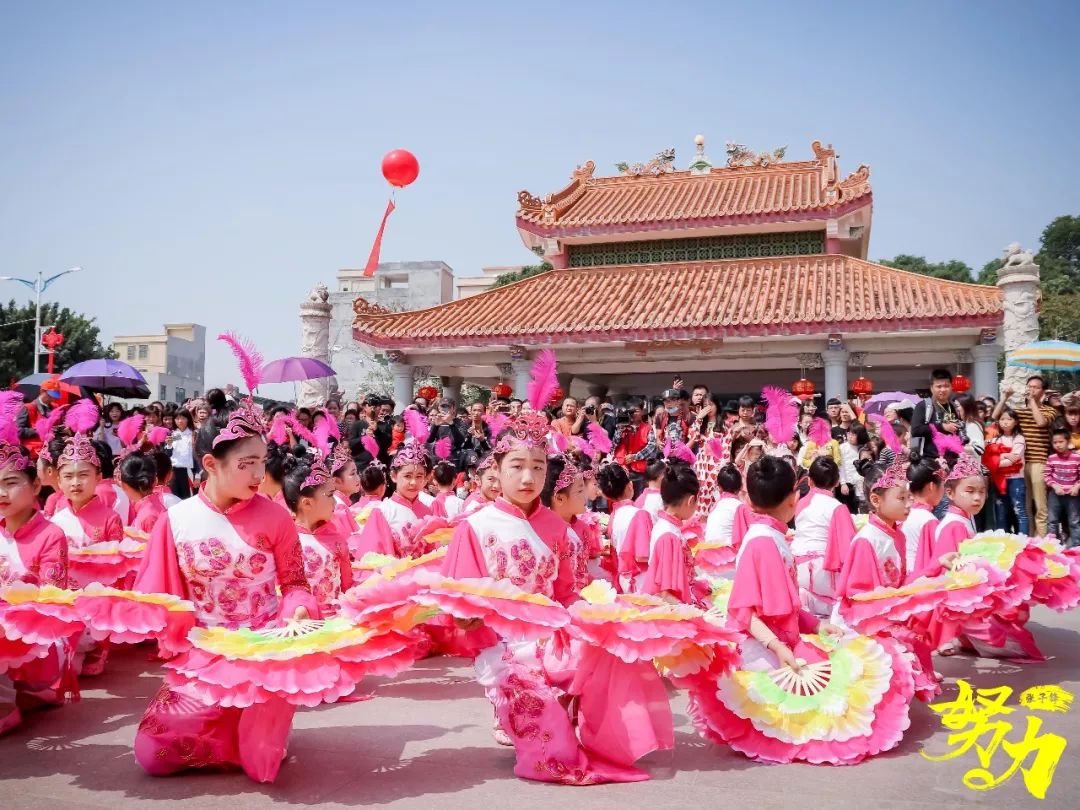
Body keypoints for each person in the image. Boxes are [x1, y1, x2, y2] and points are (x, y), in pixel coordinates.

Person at [441, 412, 659, 784]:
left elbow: (565, 593)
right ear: (496, 468)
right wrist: (470, 619)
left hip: (550, 639)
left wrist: (599, 619)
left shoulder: (557, 528)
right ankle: (516, 711)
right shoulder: (475, 527)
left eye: (537, 467)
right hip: (504, 647)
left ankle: (594, 732)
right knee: (553, 753)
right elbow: (460, 603)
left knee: (612, 651)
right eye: (517, 466)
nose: (528, 478)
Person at [132, 397, 318, 782]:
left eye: (261, 462)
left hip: (261, 651)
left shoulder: (276, 517)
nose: (257, 474)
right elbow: (161, 596)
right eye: (245, 464)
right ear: (211, 465)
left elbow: (296, 584)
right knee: (153, 754)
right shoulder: (176, 520)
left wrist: (297, 611)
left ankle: (258, 729)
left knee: (257, 756)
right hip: (205, 650)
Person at [0, 438, 70, 736]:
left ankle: (6, 705)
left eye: (11, 482)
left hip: (40, 639)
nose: (2, 492)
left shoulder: (52, 535)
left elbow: (51, 607)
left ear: (36, 487)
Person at [283, 456, 353, 616]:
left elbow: (348, 587)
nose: (335, 502)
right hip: (300, 627)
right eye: (329, 495)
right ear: (307, 503)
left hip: (335, 625)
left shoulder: (337, 540)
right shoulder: (286, 542)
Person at [994, 376, 1057, 536]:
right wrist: (1005, 398)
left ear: (1043, 391)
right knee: (1025, 505)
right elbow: (995, 416)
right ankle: (1027, 539)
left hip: (1039, 462)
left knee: (1040, 505)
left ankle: (1042, 540)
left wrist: (1034, 403)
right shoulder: (1020, 412)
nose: (1031, 390)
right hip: (1020, 465)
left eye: (1036, 387)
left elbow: (1041, 422)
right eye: (1029, 386)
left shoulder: (1049, 410)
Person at [794, 457, 856, 617]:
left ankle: (804, 599)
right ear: (836, 482)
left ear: (810, 481)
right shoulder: (837, 507)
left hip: (797, 563)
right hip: (823, 567)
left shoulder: (801, 503)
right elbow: (848, 547)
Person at [638, 460, 701, 604]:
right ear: (691, 500)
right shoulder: (669, 536)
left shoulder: (666, 528)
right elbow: (665, 593)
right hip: (674, 610)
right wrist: (697, 614)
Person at [596, 462, 652, 592]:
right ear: (630, 486)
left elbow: (608, 552)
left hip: (623, 578)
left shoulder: (612, 517)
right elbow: (643, 556)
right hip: (641, 580)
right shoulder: (640, 514)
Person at [984, 408, 1028, 534]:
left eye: (1009, 419)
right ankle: (1002, 540)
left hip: (1016, 479)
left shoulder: (1019, 438)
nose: (1005, 422)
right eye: (1002, 419)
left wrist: (997, 459)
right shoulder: (995, 440)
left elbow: (1014, 459)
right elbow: (988, 459)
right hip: (999, 480)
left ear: (1016, 422)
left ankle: (1023, 539)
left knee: (1019, 510)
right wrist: (1005, 456)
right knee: (1001, 510)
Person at [901, 453, 946, 574]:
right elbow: (935, 562)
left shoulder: (903, 513)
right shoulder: (928, 520)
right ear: (931, 486)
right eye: (942, 484)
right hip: (920, 577)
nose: (944, 489)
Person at [910, 369, 963, 461]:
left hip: (952, 459)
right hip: (929, 459)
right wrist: (942, 427)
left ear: (951, 387)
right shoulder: (923, 406)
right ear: (932, 388)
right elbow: (916, 430)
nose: (943, 389)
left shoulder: (954, 406)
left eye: (946, 386)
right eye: (939, 386)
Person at [1045, 428, 1080, 548]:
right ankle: (1052, 546)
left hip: (1072, 496)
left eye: (1061, 442)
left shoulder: (1076, 458)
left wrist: (1077, 487)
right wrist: (1054, 486)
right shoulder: (1051, 458)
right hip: (1055, 494)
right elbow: (1047, 475)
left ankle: (1076, 548)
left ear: (1068, 441)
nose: (1058, 445)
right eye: (1055, 442)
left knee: (1074, 522)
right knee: (1052, 521)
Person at [614, 401, 655, 496]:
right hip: (623, 469)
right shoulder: (622, 426)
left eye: (635, 410)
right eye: (630, 411)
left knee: (638, 498)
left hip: (639, 471)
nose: (632, 414)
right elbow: (614, 444)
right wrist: (620, 430)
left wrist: (636, 456)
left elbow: (651, 446)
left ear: (642, 411)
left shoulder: (647, 427)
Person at [16, 379, 62, 458]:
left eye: (55, 396)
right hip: (33, 453)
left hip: (51, 451)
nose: (53, 398)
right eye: (50, 395)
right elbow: (18, 431)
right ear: (42, 391)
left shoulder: (56, 407)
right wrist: (39, 430)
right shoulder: (28, 407)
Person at [168, 408, 195, 499]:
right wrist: (169, 445)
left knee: (187, 497)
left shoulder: (193, 434)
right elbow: (168, 454)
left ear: (188, 419)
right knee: (175, 497)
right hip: (174, 471)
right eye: (177, 418)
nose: (180, 421)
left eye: (183, 418)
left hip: (188, 471)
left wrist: (198, 474)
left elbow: (196, 455)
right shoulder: (173, 434)